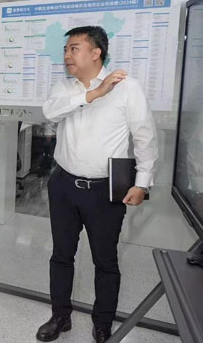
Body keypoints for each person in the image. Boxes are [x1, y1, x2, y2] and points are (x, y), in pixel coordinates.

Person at [36, 26, 158, 343]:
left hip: (105, 190)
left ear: (96, 52)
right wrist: (94, 93)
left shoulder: (128, 88)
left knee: (105, 261)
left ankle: (102, 323)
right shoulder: (64, 88)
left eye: (74, 48)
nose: (67, 55)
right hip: (63, 185)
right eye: (66, 49)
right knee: (61, 255)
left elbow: (145, 138)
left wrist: (142, 183)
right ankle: (60, 316)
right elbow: (50, 112)